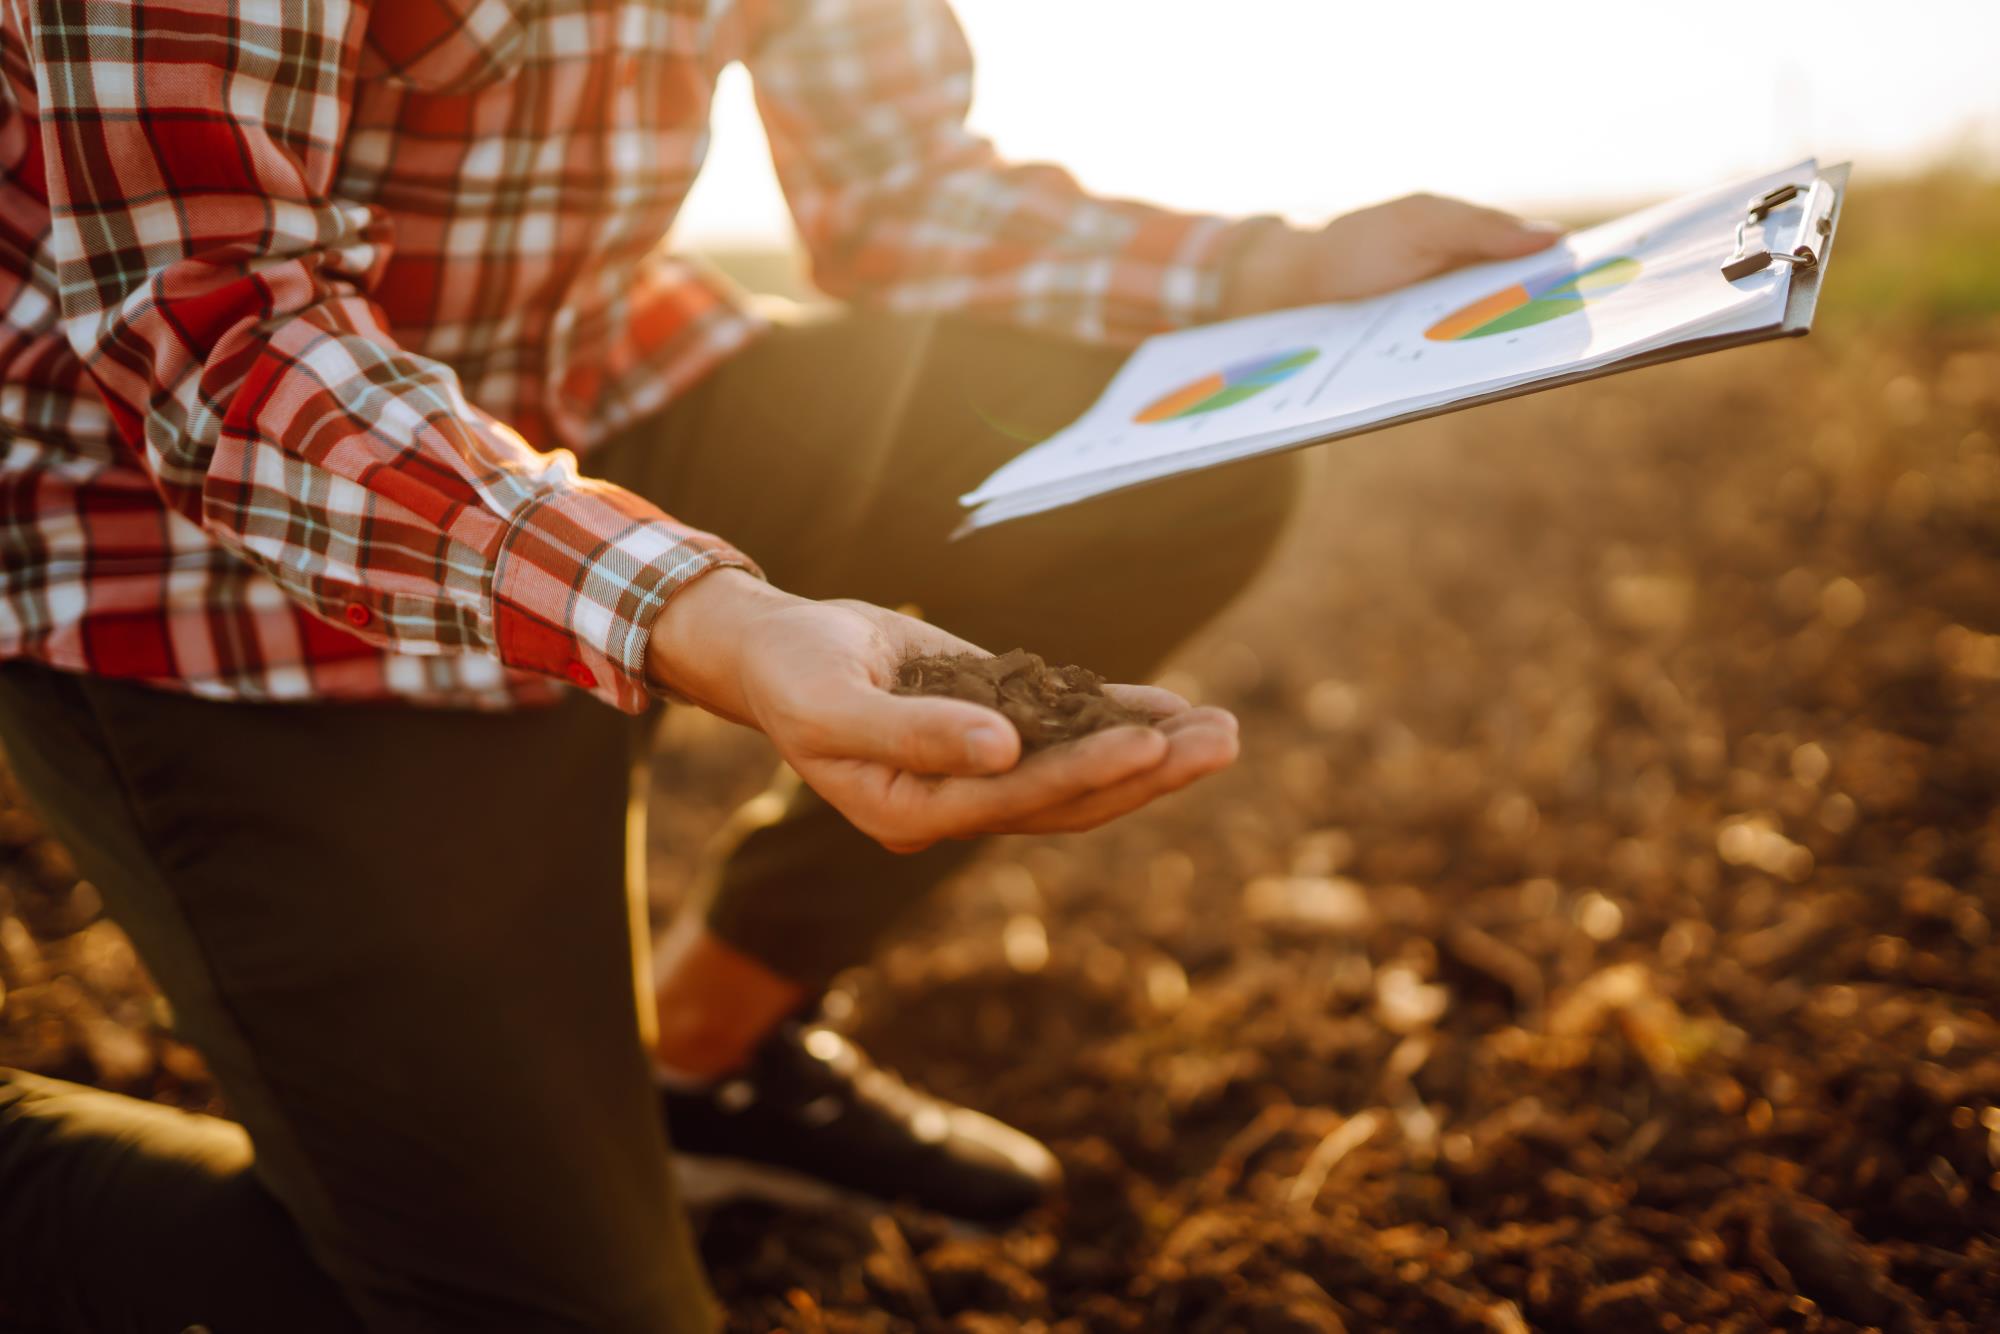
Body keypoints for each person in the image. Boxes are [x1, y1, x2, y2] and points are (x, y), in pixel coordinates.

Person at [0, 1, 1559, 1329]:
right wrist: (707, 613)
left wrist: (1279, 267)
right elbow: (219, 330)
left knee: (1170, 460)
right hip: (199, 554)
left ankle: (704, 1049)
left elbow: (893, 189)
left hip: (596, 385)